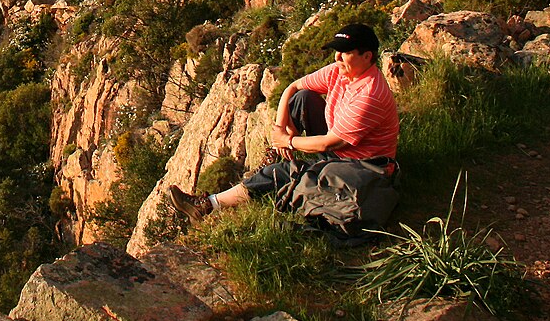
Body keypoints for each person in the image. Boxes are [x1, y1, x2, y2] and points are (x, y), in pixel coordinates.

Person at [168, 22, 398, 222]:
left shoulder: (370, 95)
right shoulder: (340, 72)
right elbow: (293, 87)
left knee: (285, 172)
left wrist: (288, 141)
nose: (337, 58)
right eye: (336, 52)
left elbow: (329, 143)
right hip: (340, 148)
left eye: (345, 53)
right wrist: (279, 131)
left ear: (367, 56)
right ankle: (274, 157)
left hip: (362, 166)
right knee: (303, 98)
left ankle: (208, 205)